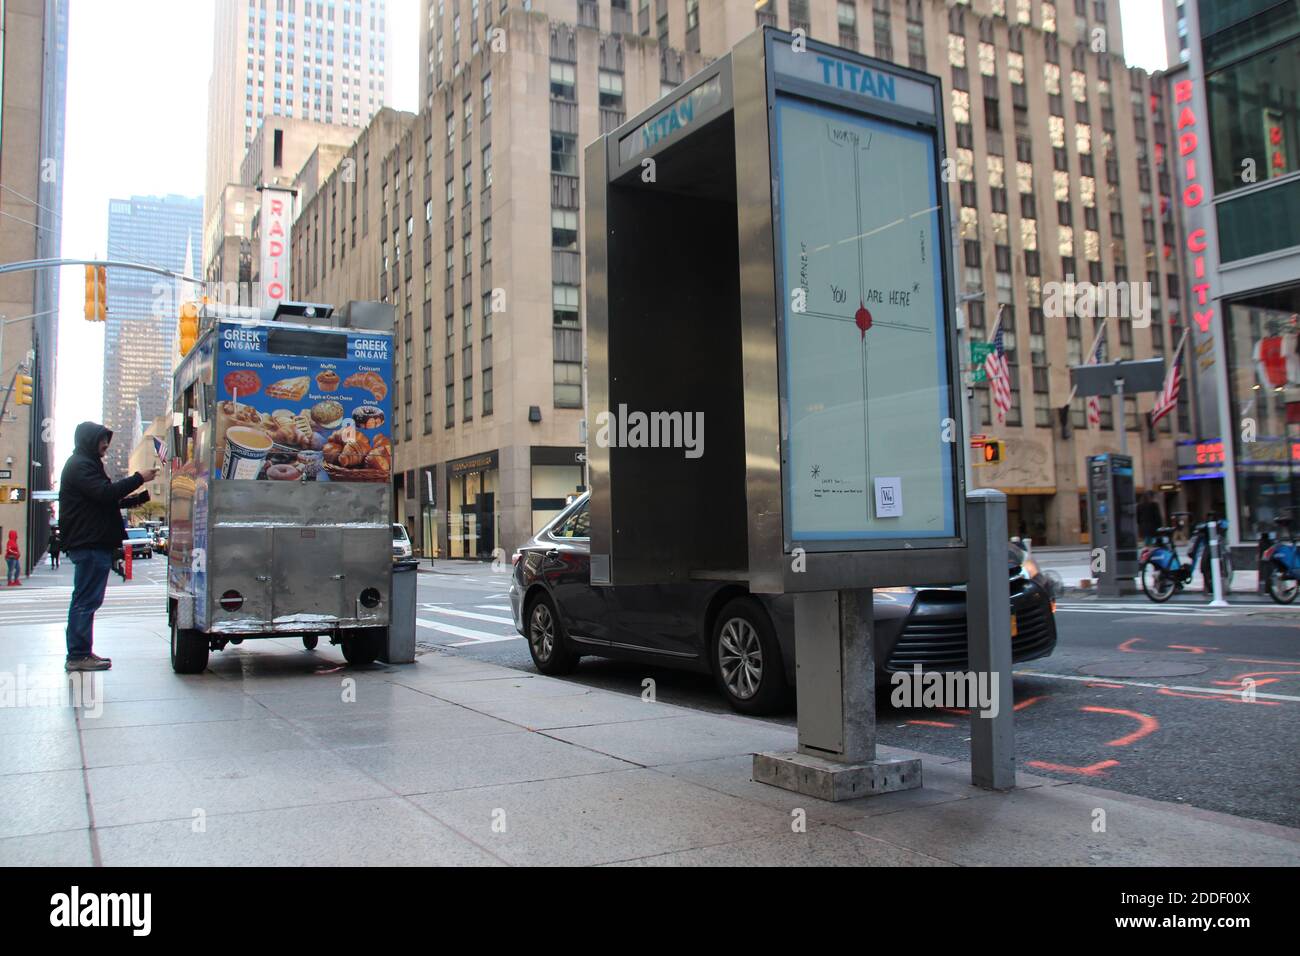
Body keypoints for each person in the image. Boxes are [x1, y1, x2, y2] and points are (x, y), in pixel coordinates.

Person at [58, 422, 157, 672]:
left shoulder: (85, 464)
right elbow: (104, 494)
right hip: (90, 543)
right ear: (90, 440)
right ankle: (78, 654)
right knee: (86, 600)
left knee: (87, 599)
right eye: (103, 440)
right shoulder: (81, 465)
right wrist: (138, 478)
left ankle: (81, 652)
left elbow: (104, 499)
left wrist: (139, 497)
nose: (106, 445)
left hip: (92, 542)